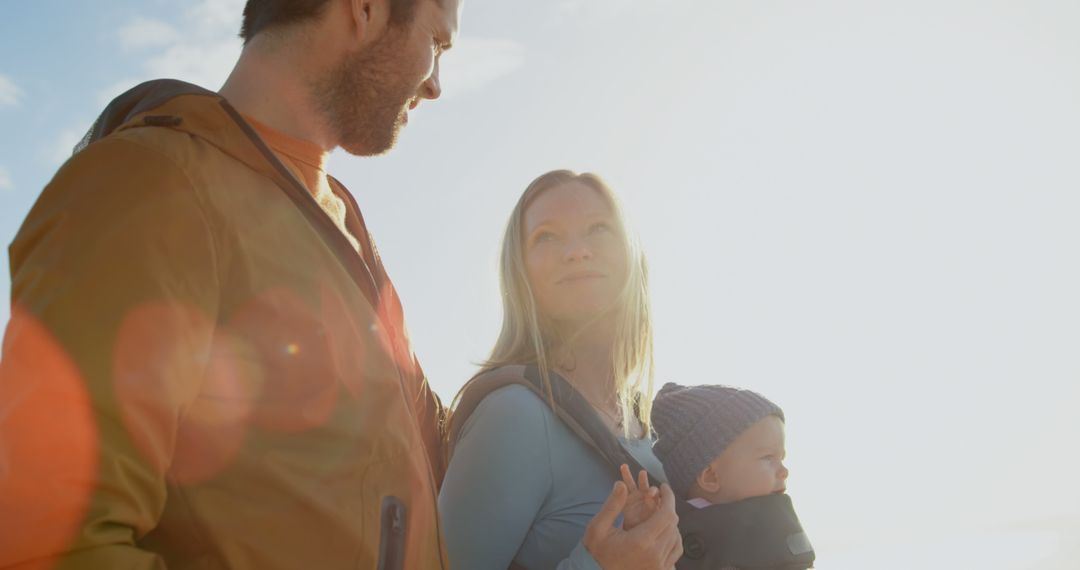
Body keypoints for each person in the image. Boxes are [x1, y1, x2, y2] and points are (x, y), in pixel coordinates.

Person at [0, 0, 461, 568]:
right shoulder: (148, 186)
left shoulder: (342, 218)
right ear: (364, 10)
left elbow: (406, 448)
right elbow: (49, 537)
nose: (437, 85)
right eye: (437, 43)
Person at [439, 170, 684, 570]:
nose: (575, 251)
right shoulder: (514, 417)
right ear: (521, 275)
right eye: (546, 237)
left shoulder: (650, 423)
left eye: (598, 228)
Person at [651, 383, 815, 570]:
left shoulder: (775, 520)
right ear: (711, 476)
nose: (784, 471)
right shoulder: (666, 533)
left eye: (782, 458)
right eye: (768, 457)